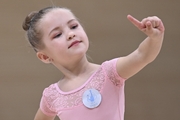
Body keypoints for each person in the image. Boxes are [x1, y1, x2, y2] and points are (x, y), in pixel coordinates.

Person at [22, 6, 165, 120]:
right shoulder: (52, 96)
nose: (70, 34)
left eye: (73, 26)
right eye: (57, 34)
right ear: (45, 57)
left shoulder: (109, 72)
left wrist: (155, 38)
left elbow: (142, 55)